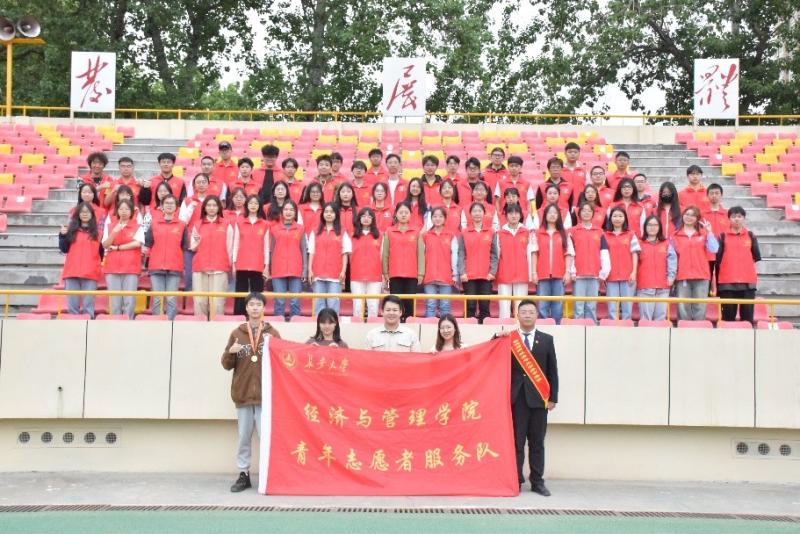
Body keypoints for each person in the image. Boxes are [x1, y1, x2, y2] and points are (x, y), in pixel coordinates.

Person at [221, 292, 282, 493]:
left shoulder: (272, 333)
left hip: (266, 396)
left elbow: (283, 361)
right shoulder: (237, 333)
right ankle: (243, 474)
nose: (255, 308)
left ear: (264, 308)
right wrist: (230, 353)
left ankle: (269, 473)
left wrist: (275, 347)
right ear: (246, 308)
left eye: (258, 304)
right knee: (243, 437)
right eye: (252, 304)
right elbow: (226, 365)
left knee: (267, 437)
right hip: (243, 393)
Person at [509, 300, 558, 496]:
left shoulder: (547, 340)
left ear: (537, 315)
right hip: (517, 399)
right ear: (517, 315)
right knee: (517, 443)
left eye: (531, 312)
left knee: (537, 443)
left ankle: (537, 481)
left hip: (539, 399)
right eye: (524, 312)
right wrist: (497, 336)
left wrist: (553, 397)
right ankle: (516, 480)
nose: (527, 315)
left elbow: (552, 371)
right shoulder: (509, 339)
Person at [189, 195, 236, 319]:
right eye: (209, 205)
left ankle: (216, 328)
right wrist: (197, 242)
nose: (211, 208)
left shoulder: (226, 224)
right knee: (199, 303)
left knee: (218, 304)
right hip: (200, 267)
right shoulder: (197, 224)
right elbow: (193, 247)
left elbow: (230, 248)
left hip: (220, 267)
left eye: (214, 205)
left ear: (219, 208)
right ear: (204, 207)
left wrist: (229, 266)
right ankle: (200, 327)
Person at [671, 206, 719, 321]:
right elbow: (671, 258)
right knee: (683, 307)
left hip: (702, 276)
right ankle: (683, 329)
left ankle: (699, 329)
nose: (689, 217)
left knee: (700, 307)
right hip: (682, 276)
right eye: (687, 214)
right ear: (682, 216)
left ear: (697, 218)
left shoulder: (703, 234)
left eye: (693, 215)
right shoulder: (675, 236)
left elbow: (714, 249)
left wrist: (709, 232)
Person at [145, 194, 188, 320]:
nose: (169, 205)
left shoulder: (182, 225)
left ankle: (170, 325)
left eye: (172, 203)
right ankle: (157, 324)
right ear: (162, 206)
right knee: (157, 299)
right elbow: (148, 243)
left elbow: (184, 246)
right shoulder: (154, 224)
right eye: (166, 203)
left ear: (176, 207)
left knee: (171, 299)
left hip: (174, 267)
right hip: (156, 266)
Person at [716, 206, 761, 324]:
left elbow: (756, 257)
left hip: (748, 283)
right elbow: (717, 259)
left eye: (739, 216)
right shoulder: (722, 236)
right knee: (728, 318)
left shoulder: (751, 236)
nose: (736, 219)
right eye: (733, 216)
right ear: (729, 219)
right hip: (727, 283)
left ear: (744, 218)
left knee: (747, 318)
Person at [59, 202, 103, 318]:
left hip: (91, 273)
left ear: (92, 214)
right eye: (82, 212)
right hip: (72, 272)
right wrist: (62, 236)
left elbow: (101, 253)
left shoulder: (98, 233)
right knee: (72, 307)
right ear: (78, 214)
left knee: (88, 307)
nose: (84, 214)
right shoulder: (70, 231)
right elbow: (64, 249)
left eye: (87, 212)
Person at [531, 204, 574, 323]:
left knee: (558, 306)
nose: (552, 215)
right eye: (550, 212)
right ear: (545, 215)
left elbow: (568, 254)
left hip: (559, 275)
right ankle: (542, 328)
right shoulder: (538, 233)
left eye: (555, 213)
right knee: (542, 305)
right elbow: (534, 253)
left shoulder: (564, 233)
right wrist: (534, 273)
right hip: (542, 274)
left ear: (559, 216)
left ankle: (557, 328)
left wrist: (567, 272)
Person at [101, 199, 144, 319]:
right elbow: (105, 244)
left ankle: (128, 323)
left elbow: (138, 243)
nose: (124, 211)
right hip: (112, 267)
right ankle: (115, 323)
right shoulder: (110, 226)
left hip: (131, 267)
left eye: (127, 209)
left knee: (129, 300)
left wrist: (118, 248)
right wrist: (114, 232)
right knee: (115, 300)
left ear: (131, 212)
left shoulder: (137, 226)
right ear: (117, 211)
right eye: (121, 209)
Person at [569, 202, 611, 322]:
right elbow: (570, 253)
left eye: (589, 211)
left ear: (593, 214)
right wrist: (572, 271)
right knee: (578, 307)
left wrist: (603, 272)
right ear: (579, 213)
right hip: (578, 275)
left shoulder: (599, 231)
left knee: (591, 307)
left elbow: (604, 253)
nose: (586, 213)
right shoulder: (572, 231)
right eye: (584, 210)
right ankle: (578, 329)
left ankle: (591, 329)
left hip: (594, 275)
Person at [458, 202, 499, 323]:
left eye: (479, 211)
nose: (477, 213)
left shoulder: (491, 232)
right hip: (469, 276)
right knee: (470, 305)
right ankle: (470, 329)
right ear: (470, 214)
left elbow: (494, 254)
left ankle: (485, 330)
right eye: (474, 211)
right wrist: (462, 272)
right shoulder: (464, 232)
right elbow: (461, 254)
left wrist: (492, 272)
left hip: (486, 276)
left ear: (484, 214)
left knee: (485, 306)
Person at [308, 202, 351, 315]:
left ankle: (333, 325)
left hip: (335, 275)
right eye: (326, 211)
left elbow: (345, 253)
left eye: (331, 212)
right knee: (319, 304)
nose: (329, 214)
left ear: (336, 214)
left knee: (333, 304)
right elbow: (311, 252)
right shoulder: (315, 231)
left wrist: (343, 271)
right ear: (322, 214)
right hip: (318, 273)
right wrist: (310, 270)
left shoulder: (342, 232)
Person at [268, 200, 308, 318]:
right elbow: (271, 250)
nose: (288, 212)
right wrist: (270, 268)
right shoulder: (274, 229)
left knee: (295, 301)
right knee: (279, 301)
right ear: (281, 212)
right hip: (278, 269)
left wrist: (304, 269)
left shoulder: (301, 229)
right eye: (286, 209)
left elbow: (304, 250)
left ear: (295, 212)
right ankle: (278, 324)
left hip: (296, 268)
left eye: (291, 209)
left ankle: (295, 323)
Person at [382, 202, 421, 322]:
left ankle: (409, 324)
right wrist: (385, 272)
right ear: (396, 214)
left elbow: (420, 254)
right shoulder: (389, 231)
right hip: (394, 273)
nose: (403, 215)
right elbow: (385, 253)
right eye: (400, 212)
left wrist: (421, 273)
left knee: (410, 303)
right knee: (395, 303)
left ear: (410, 214)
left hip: (412, 274)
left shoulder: (416, 231)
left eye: (406, 212)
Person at [233, 195, 270, 316]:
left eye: (256, 203)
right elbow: (236, 244)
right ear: (247, 205)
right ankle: (239, 317)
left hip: (258, 264)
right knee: (240, 293)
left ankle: (256, 317)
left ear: (259, 206)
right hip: (241, 263)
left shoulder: (265, 224)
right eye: (251, 203)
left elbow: (266, 247)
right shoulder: (239, 222)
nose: (253, 205)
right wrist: (234, 262)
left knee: (257, 294)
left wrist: (266, 265)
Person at [495, 204, 534, 320]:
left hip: (522, 273)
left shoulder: (527, 232)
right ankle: (504, 328)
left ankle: (520, 328)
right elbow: (496, 254)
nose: (514, 216)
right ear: (506, 215)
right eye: (511, 213)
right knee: (504, 306)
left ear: (521, 215)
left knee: (521, 305)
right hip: (504, 273)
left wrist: (531, 273)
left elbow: (530, 254)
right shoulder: (499, 233)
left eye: (516, 213)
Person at [418, 206, 458, 318]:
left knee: (445, 305)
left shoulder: (451, 235)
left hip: (446, 276)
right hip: (429, 275)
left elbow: (454, 255)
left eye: (440, 216)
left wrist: (455, 274)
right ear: (431, 218)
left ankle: (446, 326)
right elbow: (421, 256)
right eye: (435, 216)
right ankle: (429, 327)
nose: (438, 218)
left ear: (445, 219)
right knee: (430, 304)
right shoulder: (425, 236)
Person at [637, 216, 676, 322]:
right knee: (645, 319)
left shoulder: (667, 243)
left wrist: (671, 277)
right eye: (649, 225)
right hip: (645, 286)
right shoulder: (639, 243)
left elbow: (672, 261)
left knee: (660, 319)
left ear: (659, 227)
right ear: (645, 227)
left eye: (655, 225)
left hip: (663, 287)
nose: (652, 227)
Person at [603, 206, 640, 321]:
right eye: (615, 216)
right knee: (612, 305)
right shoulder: (605, 235)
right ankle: (613, 325)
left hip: (628, 275)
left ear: (625, 219)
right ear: (610, 218)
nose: (617, 219)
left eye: (620, 216)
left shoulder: (631, 234)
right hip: (611, 275)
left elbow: (635, 253)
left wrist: (634, 272)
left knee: (627, 305)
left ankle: (626, 325)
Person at [350, 207, 383, 320]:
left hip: (375, 276)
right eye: (363, 216)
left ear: (373, 219)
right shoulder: (352, 235)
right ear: (359, 218)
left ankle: (372, 327)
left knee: (373, 306)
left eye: (369, 216)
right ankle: (357, 327)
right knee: (357, 306)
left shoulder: (380, 235)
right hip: (356, 275)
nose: (366, 219)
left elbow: (382, 256)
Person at [702, 183, 729, 295]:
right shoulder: (701, 213)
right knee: (706, 277)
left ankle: (720, 300)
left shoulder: (727, 214)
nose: (714, 195)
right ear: (707, 195)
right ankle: (705, 298)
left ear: (721, 195)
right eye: (711, 193)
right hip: (705, 250)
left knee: (721, 277)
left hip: (723, 251)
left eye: (717, 193)